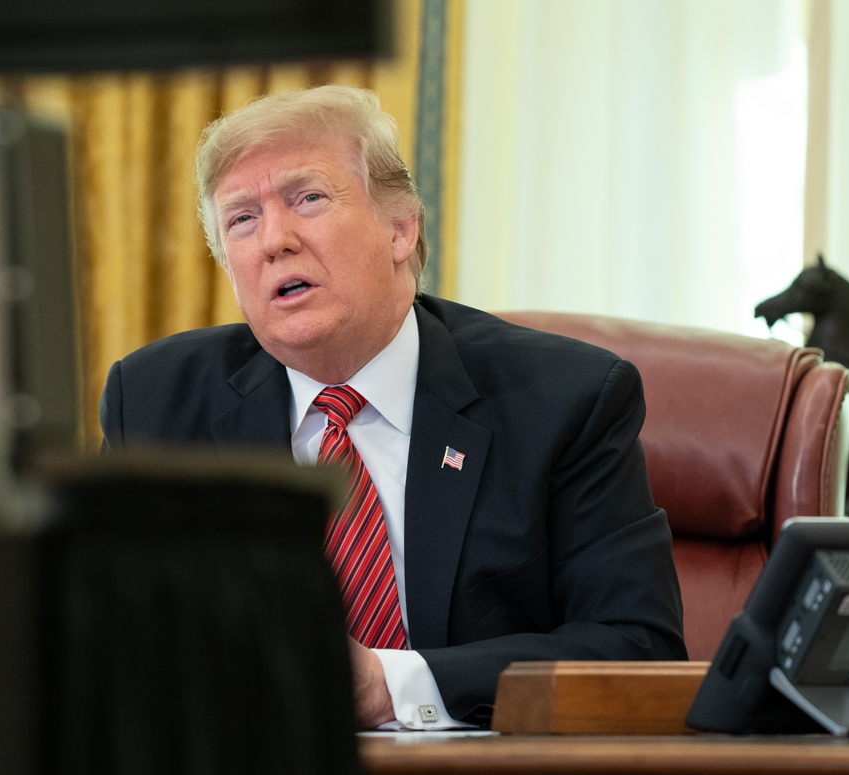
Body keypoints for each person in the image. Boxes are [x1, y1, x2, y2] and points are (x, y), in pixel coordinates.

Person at [100, 85, 686, 729]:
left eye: (308, 198)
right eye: (242, 218)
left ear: (401, 228)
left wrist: (391, 685)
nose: (274, 240)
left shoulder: (565, 399)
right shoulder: (154, 403)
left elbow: (639, 649)